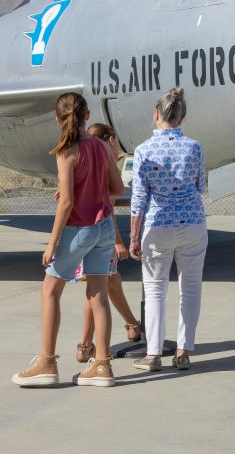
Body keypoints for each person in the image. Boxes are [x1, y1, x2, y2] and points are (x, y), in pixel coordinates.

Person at [12, 92, 124, 388]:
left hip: (79, 228)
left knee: (50, 290)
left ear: (57, 120)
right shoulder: (101, 146)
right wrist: (97, 194)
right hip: (104, 229)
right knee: (98, 295)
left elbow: (67, 203)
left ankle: (47, 361)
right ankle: (101, 365)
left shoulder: (66, 151)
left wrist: (52, 244)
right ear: (88, 116)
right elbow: (118, 187)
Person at [128, 87, 207, 372]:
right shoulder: (195, 147)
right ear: (182, 116)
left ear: (156, 114)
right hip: (192, 222)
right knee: (191, 288)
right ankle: (184, 350)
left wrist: (134, 237)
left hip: (158, 224)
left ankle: (153, 354)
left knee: (155, 289)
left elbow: (139, 198)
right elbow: (200, 186)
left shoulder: (143, 151)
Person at [74, 123, 141, 363]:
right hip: (101, 234)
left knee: (107, 283)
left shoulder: (83, 158)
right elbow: (108, 208)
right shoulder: (105, 163)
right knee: (98, 290)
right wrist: (119, 241)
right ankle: (89, 347)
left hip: (81, 231)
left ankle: (131, 325)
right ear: (111, 139)